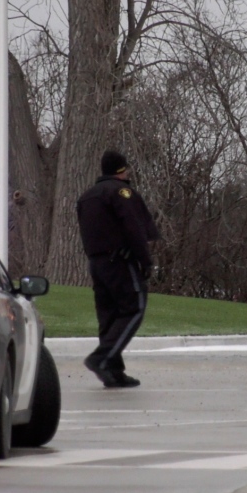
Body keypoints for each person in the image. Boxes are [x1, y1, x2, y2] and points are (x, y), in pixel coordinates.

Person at [76, 150, 159, 388]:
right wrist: (145, 261)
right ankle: (102, 357)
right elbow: (134, 228)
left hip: (97, 263)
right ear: (122, 170)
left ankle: (112, 371)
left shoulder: (87, 196)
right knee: (134, 307)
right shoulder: (121, 192)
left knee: (109, 316)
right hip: (121, 262)